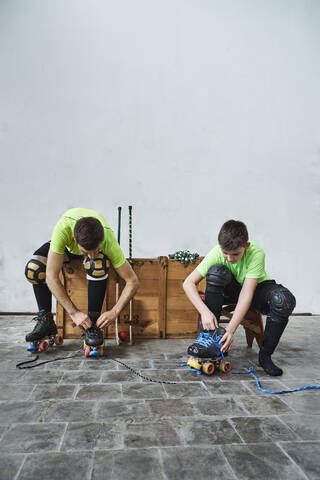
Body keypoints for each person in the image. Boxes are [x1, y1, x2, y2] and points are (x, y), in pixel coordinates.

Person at [183, 220, 296, 376]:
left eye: (235, 254)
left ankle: (265, 356)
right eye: (225, 253)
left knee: (283, 301)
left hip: (256, 289)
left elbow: (246, 293)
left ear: (246, 246)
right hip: (229, 289)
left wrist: (230, 330)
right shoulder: (217, 252)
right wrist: (204, 312)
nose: (229, 258)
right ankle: (214, 340)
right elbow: (188, 283)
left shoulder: (256, 253)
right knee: (216, 272)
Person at [24, 207, 139, 347]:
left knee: (97, 263)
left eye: (95, 250)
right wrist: (74, 313)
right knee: (34, 268)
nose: (90, 255)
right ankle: (46, 320)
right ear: (75, 240)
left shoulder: (108, 240)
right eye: (86, 251)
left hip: (93, 250)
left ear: (101, 241)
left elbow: (132, 281)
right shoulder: (63, 229)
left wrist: (114, 312)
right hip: (68, 249)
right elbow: (51, 276)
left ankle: (93, 325)